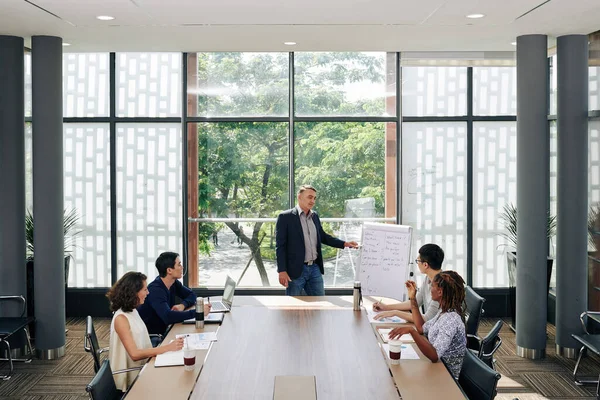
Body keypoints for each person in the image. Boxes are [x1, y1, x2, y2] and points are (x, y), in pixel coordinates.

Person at [106, 271, 184, 392]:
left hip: (144, 364)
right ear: (133, 292)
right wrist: (167, 348)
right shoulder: (121, 319)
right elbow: (135, 354)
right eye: (145, 290)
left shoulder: (132, 310)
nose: (148, 293)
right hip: (131, 375)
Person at [276, 185, 359, 295]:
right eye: (310, 197)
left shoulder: (314, 216)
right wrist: (282, 271)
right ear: (299, 197)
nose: (313, 201)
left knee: (321, 304)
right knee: (292, 307)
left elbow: (323, 237)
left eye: (314, 198)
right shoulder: (285, 217)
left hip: (314, 269)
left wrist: (345, 243)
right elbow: (280, 246)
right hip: (295, 270)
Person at [388, 270, 467, 379]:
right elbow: (421, 328)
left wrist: (411, 331)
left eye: (432, 286)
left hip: (445, 378)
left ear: (440, 292)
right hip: (436, 369)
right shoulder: (443, 311)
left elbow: (434, 355)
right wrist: (412, 298)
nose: (430, 289)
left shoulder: (451, 319)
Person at [137, 251, 211, 335]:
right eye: (179, 265)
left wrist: (183, 305)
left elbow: (192, 295)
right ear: (169, 270)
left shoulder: (173, 283)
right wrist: (198, 312)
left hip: (166, 330)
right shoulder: (155, 290)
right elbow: (168, 316)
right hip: (153, 336)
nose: (182, 267)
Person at [373, 243, 443, 323]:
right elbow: (413, 303)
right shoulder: (428, 278)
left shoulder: (441, 287)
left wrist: (395, 313)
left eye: (418, 261)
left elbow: (425, 319)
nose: (418, 264)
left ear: (425, 265)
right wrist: (385, 307)